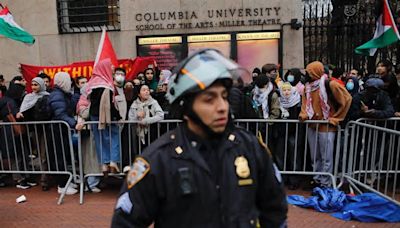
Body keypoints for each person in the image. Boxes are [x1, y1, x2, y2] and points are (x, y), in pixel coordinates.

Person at [112, 49, 287, 228]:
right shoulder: (159, 158)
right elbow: (125, 222)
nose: (222, 107)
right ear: (185, 107)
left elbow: (275, 209)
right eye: (209, 99)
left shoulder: (249, 147)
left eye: (224, 96)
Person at [299, 61, 352, 188]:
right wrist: (304, 114)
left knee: (326, 157)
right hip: (312, 125)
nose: (307, 74)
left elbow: (347, 99)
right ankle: (317, 179)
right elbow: (304, 104)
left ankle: (326, 182)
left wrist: (336, 118)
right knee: (314, 156)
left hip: (327, 126)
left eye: (309, 72)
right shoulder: (307, 87)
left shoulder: (331, 84)